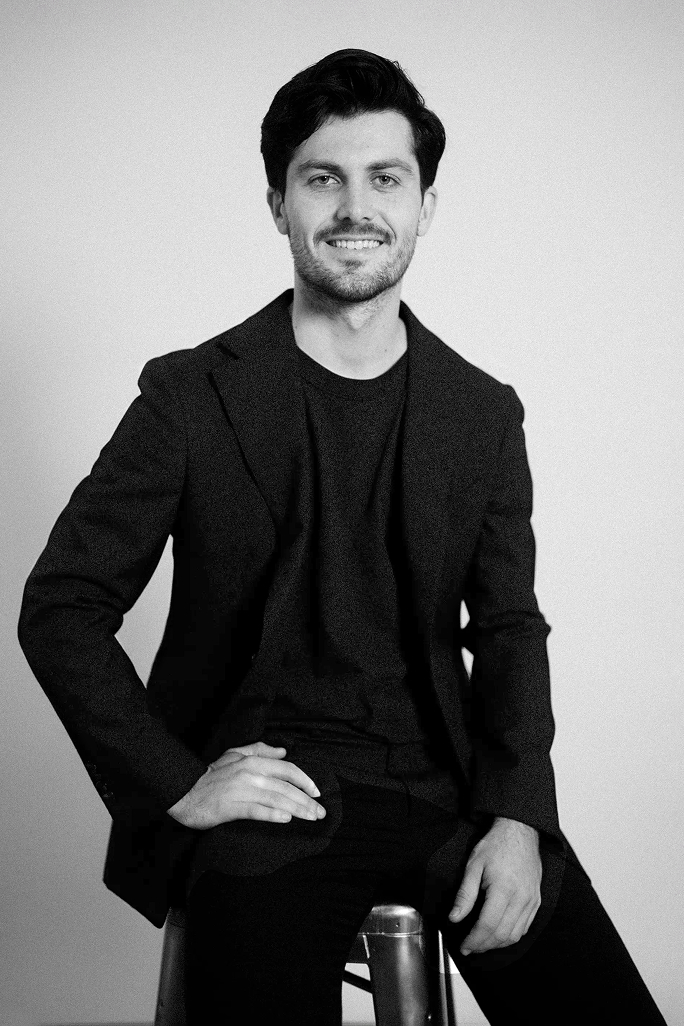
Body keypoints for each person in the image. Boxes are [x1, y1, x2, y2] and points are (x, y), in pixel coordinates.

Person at [18, 49, 666, 1026]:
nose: (355, 207)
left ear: (425, 206)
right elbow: (61, 605)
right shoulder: (189, 397)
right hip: (270, 800)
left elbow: (508, 630)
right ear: (278, 205)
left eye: (385, 179)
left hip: (443, 793)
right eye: (323, 178)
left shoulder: (482, 415)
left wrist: (521, 816)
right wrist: (177, 784)